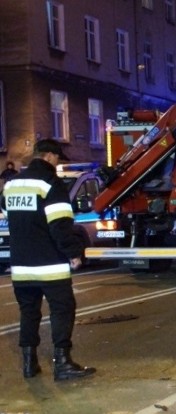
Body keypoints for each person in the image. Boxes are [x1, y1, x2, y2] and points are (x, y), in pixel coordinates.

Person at [1, 139, 94, 381]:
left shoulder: (11, 184)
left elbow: (6, 209)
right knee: (63, 309)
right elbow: (60, 225)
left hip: (21, 266)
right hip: (49, 265)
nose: (58, 163)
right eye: (58, 158)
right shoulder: (51, 183)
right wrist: (73, 253)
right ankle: (62, 363)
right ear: (50, 156)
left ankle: (29, 364)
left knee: (29, 312)